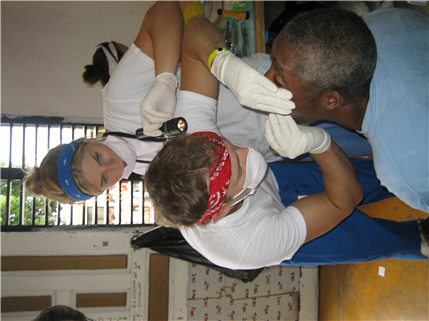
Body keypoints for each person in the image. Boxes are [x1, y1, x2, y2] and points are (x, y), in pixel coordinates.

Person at [144, 13, 429, 270]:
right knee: (360, 239)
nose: (250, 151)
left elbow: (194, 29)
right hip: (265, 228)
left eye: (231, 146)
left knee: (368, 176)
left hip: (274, 183)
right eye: (239, 170)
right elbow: (344, 200)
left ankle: (387, 183)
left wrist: (222, 63)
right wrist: (321, 144)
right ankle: (418, 239)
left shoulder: (201, 151)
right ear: (222, 211)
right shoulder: (246, 245)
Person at [264, 8, 428, 212]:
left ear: (332, 100)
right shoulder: (383, 21)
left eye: (279, 81)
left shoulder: (406, 171)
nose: (265, 80)